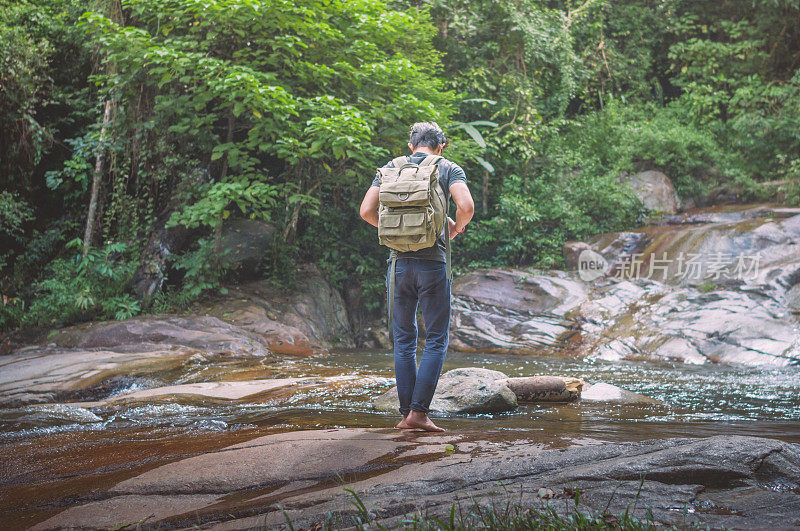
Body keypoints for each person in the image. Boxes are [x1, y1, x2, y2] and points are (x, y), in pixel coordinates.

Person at [359, 122, 475, 432]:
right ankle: (419, 415)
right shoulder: (447, 167)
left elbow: (366, 211)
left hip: (398, 266)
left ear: (412, 146)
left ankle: (405, 414)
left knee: (404, 341)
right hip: (433, 264)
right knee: (435, 339)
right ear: (441, 146)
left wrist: (394, 232)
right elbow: (466, 206)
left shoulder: (390, 168)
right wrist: (454, 228)